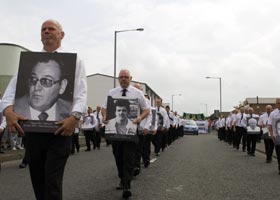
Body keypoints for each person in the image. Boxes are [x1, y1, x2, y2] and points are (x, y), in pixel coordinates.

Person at [0, 19, 87, 200]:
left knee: (52, 182)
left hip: (60, 130)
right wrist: (8, 112)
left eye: (51, 29)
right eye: (43, 29)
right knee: (38, 181)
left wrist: (75, 117)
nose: (46, 32)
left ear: (61, 35)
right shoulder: (29, 60)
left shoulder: (75, 61)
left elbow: (80, 94)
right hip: (33, 132)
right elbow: (10, 92)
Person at [102, 69, 150, 199]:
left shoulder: (138, 93)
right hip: (115, 132)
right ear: (118, 79)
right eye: (121, 77)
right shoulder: (112, 92)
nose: (123, 79)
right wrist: (105, 116)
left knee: (128, 158)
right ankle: (122, 178)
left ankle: (127, 185)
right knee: (118, 157)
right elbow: (104, 107)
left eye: (126, 77)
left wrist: (140, 117)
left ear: (130, 78)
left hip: (131, 132)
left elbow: (147, 109)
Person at [268, 98, 280, 174]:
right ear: (276, 104)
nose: (279, 104)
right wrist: (271, 134)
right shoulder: (273, 113)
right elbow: (270, 125)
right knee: (279, 152)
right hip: (277, 136)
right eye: (278, 103)